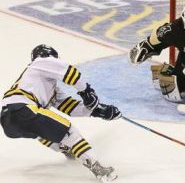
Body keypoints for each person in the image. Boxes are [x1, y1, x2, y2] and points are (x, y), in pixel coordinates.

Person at [0, 44, 121, 182]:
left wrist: (98, 111)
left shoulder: (46, 87)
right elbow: (71, 73)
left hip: (8, 120)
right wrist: (87, 91)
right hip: (23, 108)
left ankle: (64, 147)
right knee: (69, 131)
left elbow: (70, 107)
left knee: (42, 130)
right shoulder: (41, 61)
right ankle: (98, 168)